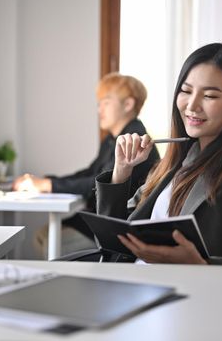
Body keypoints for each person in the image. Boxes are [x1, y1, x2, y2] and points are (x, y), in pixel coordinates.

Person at [95, 43, 222, 265]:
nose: (192, 105)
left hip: (197, 292)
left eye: (209, 95)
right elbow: (112, 242)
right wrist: (121, 172)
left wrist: (202, 265)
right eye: (186, 91)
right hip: (135, 282)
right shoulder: (176, 159)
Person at [12, 73, 160, 258]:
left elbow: (97, 183)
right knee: (43, 236)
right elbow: (91, 173)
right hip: (101, 215)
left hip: (119, 223)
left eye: (106, 103)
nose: (100, 110)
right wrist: (47, 182)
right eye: (99, 104)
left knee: (49, 240)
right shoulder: (112, 139)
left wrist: (47, 185)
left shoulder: (133, 140)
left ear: (128, 104)